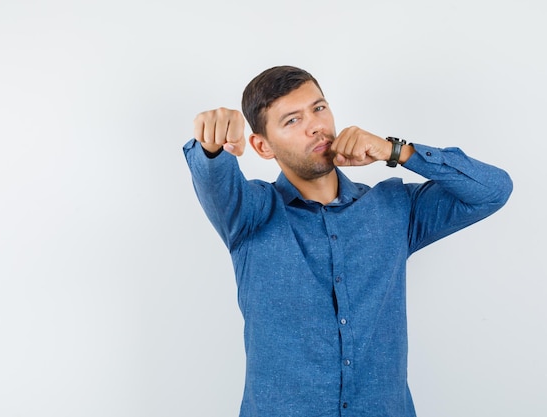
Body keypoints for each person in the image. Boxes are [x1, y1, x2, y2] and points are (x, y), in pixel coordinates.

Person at [182, 65, 512, 417]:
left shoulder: (395, 210)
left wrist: (395, 151)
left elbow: (491, 191)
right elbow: (213, 177)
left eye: (319, 108)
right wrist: (212, 145)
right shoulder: (249, 215)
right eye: (292, 120)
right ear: (262, 146)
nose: (315, 126)